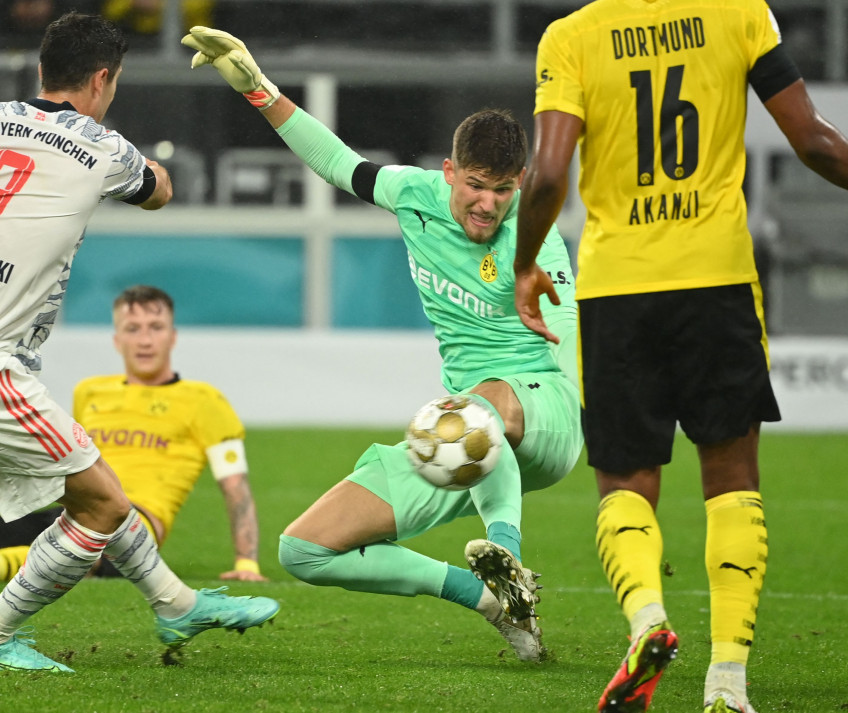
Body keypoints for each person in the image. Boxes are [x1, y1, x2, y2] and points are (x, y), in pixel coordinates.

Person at [0, 12, 278, 672]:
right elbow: (160, 190)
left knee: (94, 489)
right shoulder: (102, 147)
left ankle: (176, 602)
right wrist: (141, 162)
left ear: (41, 70)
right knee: (104, 506)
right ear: (102, 80)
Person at [181, 26, 583, 662]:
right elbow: (337, 162)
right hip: (461, 433)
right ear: (449, 172)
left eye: (504, 190)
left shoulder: (537, 234)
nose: (489, 204)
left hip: (543, 411)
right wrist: (260, 91)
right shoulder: (413, 194)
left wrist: (590, 410)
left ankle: (508, 558)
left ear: (522, 183)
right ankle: (490, 599)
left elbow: (571, 332)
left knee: (477, 408)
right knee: (305, 549)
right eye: (476, 184)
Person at [511, 2, 848, 711]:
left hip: (618, 289)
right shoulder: (740, 14)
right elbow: (815, 142)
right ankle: (728, 682)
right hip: (717, 281)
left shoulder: (571, 37)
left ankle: (647, 622)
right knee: (731, 478)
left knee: (625, 480)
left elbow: (546, 176)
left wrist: (524, 263)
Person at [0, 284, 268, 585]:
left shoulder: (205, 401)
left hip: (134, 524)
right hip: (69, 506)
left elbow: (236, 486)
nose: (145, 339)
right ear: (117, 339)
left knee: (80, 549)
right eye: (133, 329)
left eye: (156, 328)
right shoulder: (92, 391)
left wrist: (246, 561)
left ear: (173, 336)